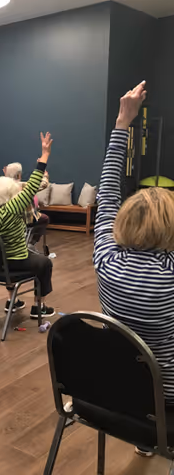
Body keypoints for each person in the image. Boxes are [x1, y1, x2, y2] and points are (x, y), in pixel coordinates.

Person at [93, 81, 174, 457]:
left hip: (115, 386)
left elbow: (108, 191)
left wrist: (122, 122)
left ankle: (144, 437)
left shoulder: (106, 259)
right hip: (165, 396)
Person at [0, 131, 55, 317]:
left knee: (8, 258)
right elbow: (34, 184)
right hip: (13, 263)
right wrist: (45, 154)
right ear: (11, 196)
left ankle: (13, 301)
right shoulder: (11, 209)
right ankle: (39, 307)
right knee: (44, 263)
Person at [3, 162, 50, 245]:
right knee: (45, 218)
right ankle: (32, 242)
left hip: (8, 219)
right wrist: (45, 175)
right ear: (19, 175)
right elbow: (44, 184)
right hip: (26, 220)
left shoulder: (2, 187)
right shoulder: (24, 186)